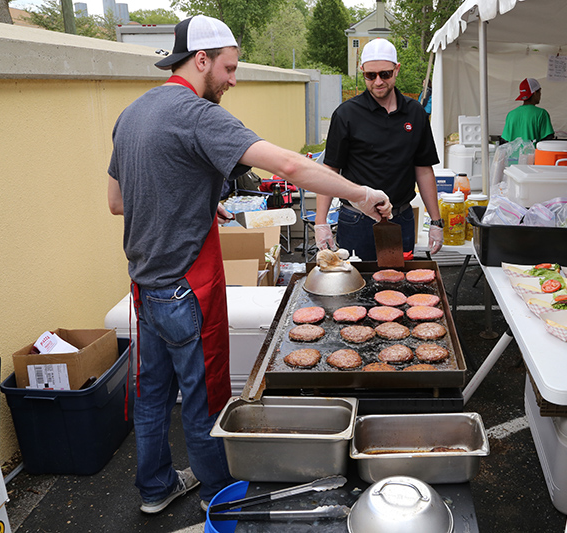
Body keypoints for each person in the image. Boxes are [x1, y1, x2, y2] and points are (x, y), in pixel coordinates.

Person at [107, 15, 391, 515]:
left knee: (152, 395)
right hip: (185, 290)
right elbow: (287, 165)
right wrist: (362, 195)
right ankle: (221, 500)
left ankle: (154, 489)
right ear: (201, 60)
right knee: (204, 398)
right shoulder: (197, 114)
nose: (234, 79)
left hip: (144, 287)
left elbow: (118, 201)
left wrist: (194, 202)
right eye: (230, 68)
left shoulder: (133, 113)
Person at [314, 38, 443, 261]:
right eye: (370, 76)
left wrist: (436, 221)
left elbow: (423, 169)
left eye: (385, 74)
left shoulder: (415, 113)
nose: (378, 82)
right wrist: (320, 223)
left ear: (397, 69)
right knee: (355, 288)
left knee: (399, 287)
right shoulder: (347, 114)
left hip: (400, 219)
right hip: (356, 220)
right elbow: (330, 170)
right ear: (362, 71)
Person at [501, 78, 554, 144]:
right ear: (534, 93)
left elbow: (505, 140)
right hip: (533, 154)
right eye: (539, 92)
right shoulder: (542, 114)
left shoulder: (511, 114)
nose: (540, 95)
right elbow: (547, 141)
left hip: (513, 154)